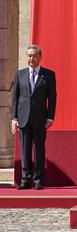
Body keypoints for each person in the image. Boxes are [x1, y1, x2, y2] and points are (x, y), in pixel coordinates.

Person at [11, 45, 56, 190]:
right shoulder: (19, 74)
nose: (31, 58)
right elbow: (15, 98)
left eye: (34, 56)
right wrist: (14, 118)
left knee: (39, 150)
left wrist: (50, 117)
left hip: (40, 119)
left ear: (40, 57)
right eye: (29, 56)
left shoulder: (48, 75)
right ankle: (25, 179)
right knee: (25, 150)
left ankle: (39, 180)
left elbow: (53, 98)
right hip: (23, 118)